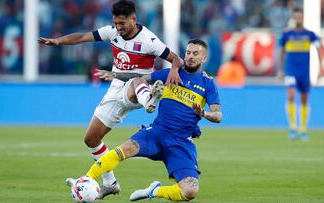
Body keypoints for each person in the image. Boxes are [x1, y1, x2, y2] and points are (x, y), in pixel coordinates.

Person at [38, 0, 183, 198]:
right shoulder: (112, 32)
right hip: (115, 89)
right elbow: (83, 36)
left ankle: (150, 99)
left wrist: (174, 70)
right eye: (116, 23)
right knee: (91, 139)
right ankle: (110, 183)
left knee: (136, 79)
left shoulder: (149, 39)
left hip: (137, 88)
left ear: (134, 19)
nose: (119, 27)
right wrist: (58, 41)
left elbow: (177, 59)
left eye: (122, 23)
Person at [67, 39, 222, 201]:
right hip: (157, 132)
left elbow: (218, 115)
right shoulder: (172, 73)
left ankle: (153, 191)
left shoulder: (208, 84)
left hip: (181, 142)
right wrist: (115, 75)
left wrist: (204, 113)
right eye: (188, 52)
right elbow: (140, 77)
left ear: (204, 58)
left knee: (190, 191)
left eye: (195, 53)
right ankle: (86, 179)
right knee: (124, 149)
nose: (190, 56)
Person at [277, 8, 323, 140]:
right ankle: (292, 127)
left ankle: (303, 129)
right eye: (296, 17)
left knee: (304, 99)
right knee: (291, 95)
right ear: (293, 18)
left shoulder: (309, 35)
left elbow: (319, 48)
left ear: (303, 18)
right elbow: (281, 52)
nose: (298, 19)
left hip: (304, 72)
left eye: (300, 17)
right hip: (291, 71)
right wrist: (280, 69)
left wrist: (320, 68)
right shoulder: (287, 35)